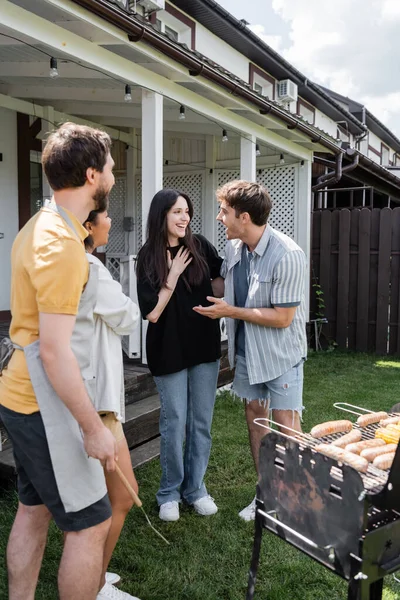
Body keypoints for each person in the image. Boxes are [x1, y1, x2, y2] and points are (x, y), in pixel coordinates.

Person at [0, 122, 130, 600]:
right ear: (92, 175)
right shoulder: (62, 246)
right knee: (91, 523)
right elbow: (53, 351)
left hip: (19, 394)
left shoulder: (40, 225)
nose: (115, 172)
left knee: (32, 511)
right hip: (41, 405)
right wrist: (93, 429)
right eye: (111, 166)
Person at [194, 180, 307, 522]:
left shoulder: (287, 255)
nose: (219, 218)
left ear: (244, 217)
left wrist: (231, 312)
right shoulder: (233, 248)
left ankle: (297, 495)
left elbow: (283, 317)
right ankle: (265, 493)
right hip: (247, 353)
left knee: (286, 424)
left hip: (281, 355)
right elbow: (222, 286)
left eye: (224, 212)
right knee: (255, 418)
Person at [136, 189, 223, 522]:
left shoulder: (199, 245)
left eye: (187, 211)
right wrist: (171, 277)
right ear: (162, 216)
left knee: (200, 423)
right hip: (168, 349)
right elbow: (153, 314)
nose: (184, 217)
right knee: (175, 423)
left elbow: (219, 281)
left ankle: (195, 489)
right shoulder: (148, 256)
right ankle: (169, 492)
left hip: (203, 345)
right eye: (177, 212)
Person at [83, 209, 141, 599]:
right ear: (88, 226)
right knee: (121, 495)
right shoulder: (91, 268)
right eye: (104, 215)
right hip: (98, 404)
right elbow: (129, 316)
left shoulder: (71, 263)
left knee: (106, 496)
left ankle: (95, 574)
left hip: (90, 399)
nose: (109, 221)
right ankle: (95, 584)